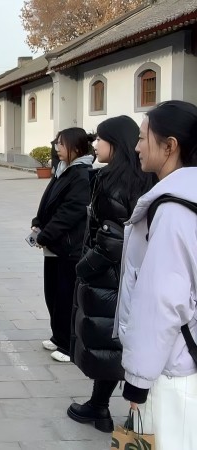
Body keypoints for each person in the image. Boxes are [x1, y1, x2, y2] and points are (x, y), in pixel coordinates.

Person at [114, 100, 197, 449]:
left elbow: (161, 302)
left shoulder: (173, 209)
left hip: (172, 368)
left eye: (142, 137)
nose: (136, 147)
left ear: (169, 146)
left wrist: (137, 383)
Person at [67, 116, 155, 432]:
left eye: (100, 139)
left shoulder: (112, 181)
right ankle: (125, 411)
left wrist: (84, 267)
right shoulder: (145, 177)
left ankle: (100, 407)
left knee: (110, 341)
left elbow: (111, 238)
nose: (95, 145)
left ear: (114, 144)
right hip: (135, 274)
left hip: (110, 277)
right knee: (127, 342)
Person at [31, 128, 93, 362]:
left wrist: (45, 235)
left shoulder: (82, 174)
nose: (57, 148)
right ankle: (58, 336)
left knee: (66, 297)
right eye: (56, 143)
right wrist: (38, 222)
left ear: (76, 147)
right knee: (53, 294)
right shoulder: (63, 169)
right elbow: (49, 202)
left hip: (69, 247)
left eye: (61, 144)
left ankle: (69, 345)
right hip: (55, 246)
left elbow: (70, 212)